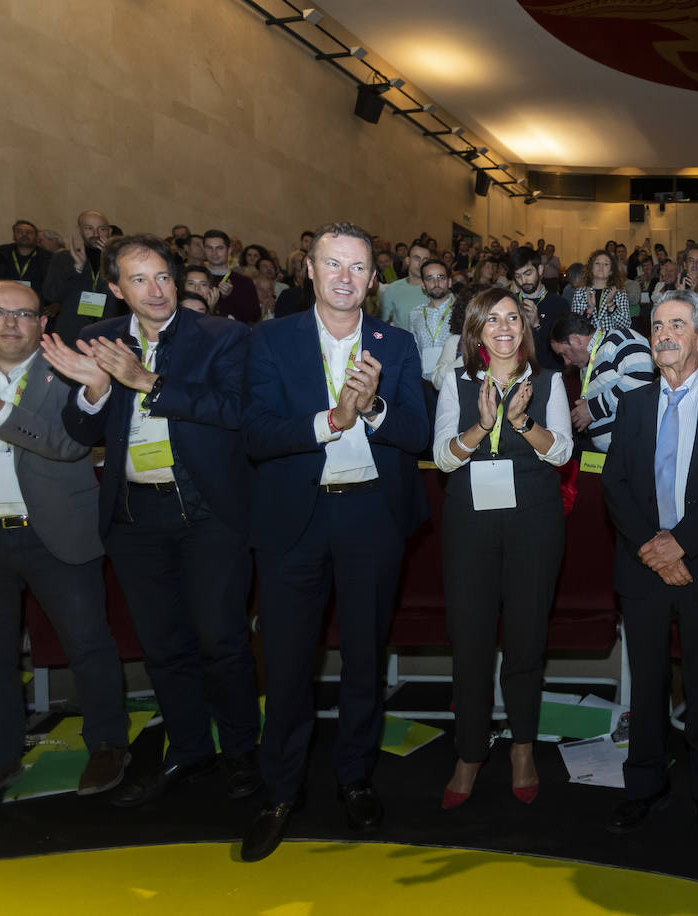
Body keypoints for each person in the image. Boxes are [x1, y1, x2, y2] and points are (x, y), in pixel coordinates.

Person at [42, 235, 261, 809]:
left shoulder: (222, 336)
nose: (156, 289)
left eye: (163, 276)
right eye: (139, 280)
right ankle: (190, 750)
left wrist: (149, 383)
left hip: (208, 510)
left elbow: (237, 413)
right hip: (134, 513)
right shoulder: (96, 339)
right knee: (164, 646)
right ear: (115, 288)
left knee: (223, 640)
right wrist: (92, 392)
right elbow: (84, 430)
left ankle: (242, 752)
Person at [239, 222, 429, 862]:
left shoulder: (395, 344)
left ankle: (355, 777)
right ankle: (279, 793)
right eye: (333, 265)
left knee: (364, 661)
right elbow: (258, 433)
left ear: (374, 280)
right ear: (310, 272)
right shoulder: (271, 341)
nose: (346, 277)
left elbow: (420, 433)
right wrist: (331, 420)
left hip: (371, 518)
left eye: (358, 267)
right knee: (288, 665)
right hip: (295, 523)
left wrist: (373, 411)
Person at [602, 288, 698, 849]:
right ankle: (644, 786)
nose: (664, 334)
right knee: (645, 688)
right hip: (644, 567)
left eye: (676, 325)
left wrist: (680, 546)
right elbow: (615, 483)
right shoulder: (633, 403)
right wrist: (653, 546)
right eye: (657, 325)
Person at [0, 281, 130, 811]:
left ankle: (107, 745)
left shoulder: (64, 366)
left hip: (54, 531)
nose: (11, 323)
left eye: (25, 314)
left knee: (88, 644)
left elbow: (70, 443)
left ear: (44, 323)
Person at [432, 288, 572, 810]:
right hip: (469, 522)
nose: (505, 327)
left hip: (534, 522)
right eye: (492, 319)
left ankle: (521, 748)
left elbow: (561, 452)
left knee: (525, 642)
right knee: (468, 642)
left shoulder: (549, 380)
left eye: (513, 317)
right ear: (476, 330)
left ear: (525, 326)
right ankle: (468, 753)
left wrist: (520, 424)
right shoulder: (456, 380)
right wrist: (483, 426)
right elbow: (444, 459)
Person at [549, 312, 654, 453]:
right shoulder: (586, 367)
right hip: (614, 456)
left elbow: (640, 384)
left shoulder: (621, 339)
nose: (566, 362)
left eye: (564, 353)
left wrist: (592, 409)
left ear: (576, 340)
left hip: (635, 451)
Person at [41, 209, 123, 347]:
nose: (96, 234)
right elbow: (51, 294)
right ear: (80, 230)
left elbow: (128, 296)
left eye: (101, 229)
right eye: (89, 228)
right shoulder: (63, 258)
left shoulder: (121, 260)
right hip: (71, 335)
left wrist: (111, 260)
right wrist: (76, 269)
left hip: (109, 335)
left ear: (109, 231)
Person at [511, 247, 569, 373]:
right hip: (516, 373)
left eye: (528, 273)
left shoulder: (559, 304)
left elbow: (562, 350)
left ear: (540, 270)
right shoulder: (510, 303)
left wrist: (537, 324)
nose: (523, 281)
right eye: (518, 276)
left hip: (548, 372)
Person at [409, 259, 454, 384]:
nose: (436, 283)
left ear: (449, 282)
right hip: (425, 381)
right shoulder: (415, 314)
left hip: (453, 381)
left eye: (441, 277)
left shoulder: (462, 312)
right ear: (423, 285)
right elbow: (414, 350)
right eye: (430, 278)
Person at [202, 230, 261, 325]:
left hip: (234, 335)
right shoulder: (195, 278)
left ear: (229, 250)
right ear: (204, 250)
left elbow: (254, 316)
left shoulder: (244, 281)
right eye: (209, 248)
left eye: (219, 248)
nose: (214, 253)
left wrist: (230, 296)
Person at [0, 220, 51, 293]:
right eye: (19, 232)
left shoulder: (48, 257)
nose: (24, 235)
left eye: (29, 232)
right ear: (14, 236)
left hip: (36, 302)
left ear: (36, 237)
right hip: (2, 299)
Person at [571, 250, 631, 333]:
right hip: (588, 342)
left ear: (611, 271)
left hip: (612, 341)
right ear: (591, 268)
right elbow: (575, 326)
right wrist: (590, 309)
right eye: (597, 263)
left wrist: (611, 305)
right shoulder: (580, 292)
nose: (601, 267)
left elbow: (626, 325)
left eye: (606, 264)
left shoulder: (619, 292)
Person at [377, 244, 430, 330]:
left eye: (425, 260)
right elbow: (384, 324)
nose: (421, 264)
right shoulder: (393, 289)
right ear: (408, 260)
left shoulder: (436, 290)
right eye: (417, 258)